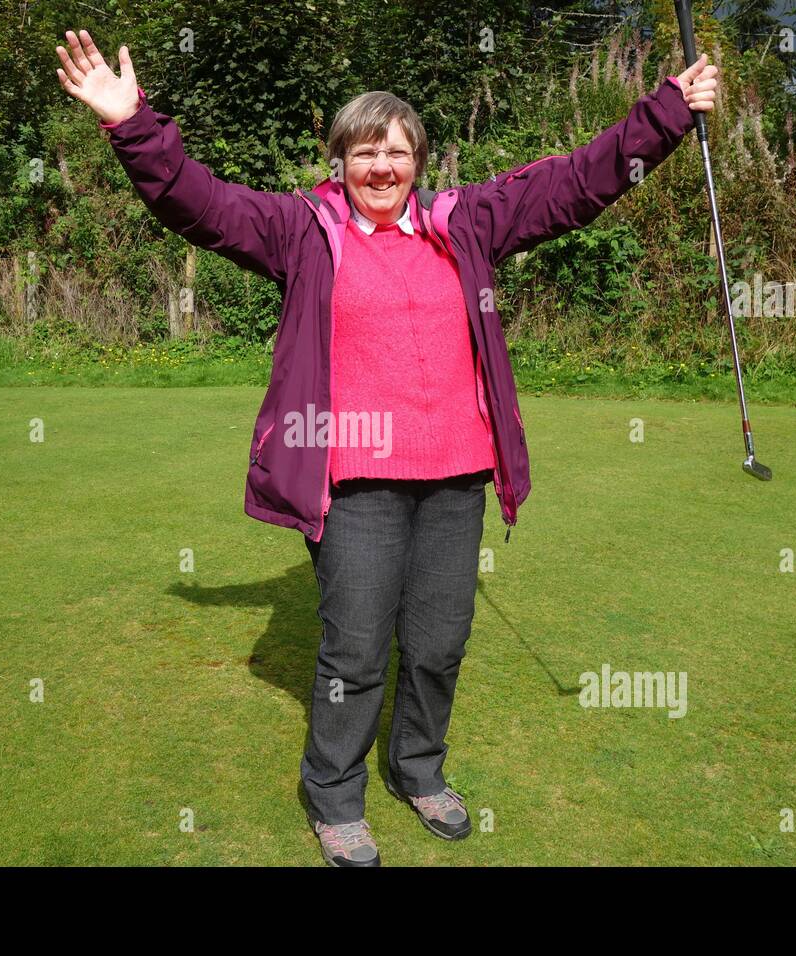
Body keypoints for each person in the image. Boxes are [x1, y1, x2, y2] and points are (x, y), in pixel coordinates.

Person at [55, 28, 718, 866]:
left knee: (440, 641)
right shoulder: (301, 230)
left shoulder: (465, 222)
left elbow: (577, 182)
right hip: (354, 481)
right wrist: (132, 123)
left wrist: (667, 113)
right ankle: (335, 796)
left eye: (396, 152)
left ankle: (418, 770)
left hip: (457, 478)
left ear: (418, 161)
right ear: (338, 164)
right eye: (363, 153)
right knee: (357, 648)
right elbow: (197, 200)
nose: (380, 167)